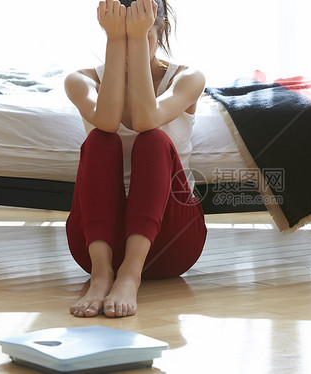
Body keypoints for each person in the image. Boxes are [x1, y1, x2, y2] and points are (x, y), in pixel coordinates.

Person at [64, 0, 207, 318]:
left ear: (161, 30)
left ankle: (130, 274)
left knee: (153, 138)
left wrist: (128, 37)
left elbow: (146, 118)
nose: (131, 47)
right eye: (122, 38)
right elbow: (108, 122)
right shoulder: (80, 80)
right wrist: (117, 39)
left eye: (143, 37)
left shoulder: (188, 78)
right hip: (96, 244)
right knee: (101, 138)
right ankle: (101, 276)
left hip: (171, 243)